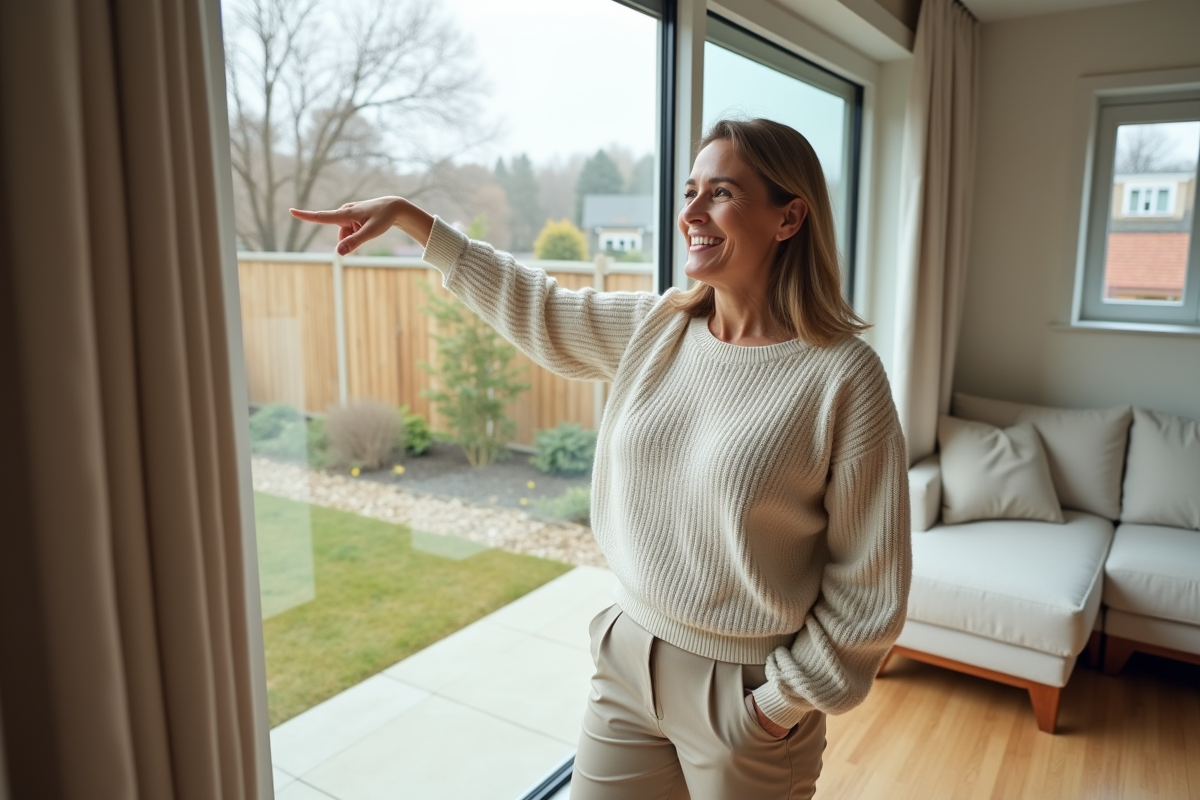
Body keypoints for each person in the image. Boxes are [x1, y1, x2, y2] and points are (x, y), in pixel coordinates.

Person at [291, 117, 911, 800]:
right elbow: (541, 309)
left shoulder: (843, 377)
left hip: (746, 697)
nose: (691, 213)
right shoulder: (660, 328)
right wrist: (417, 224)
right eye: (690, 192)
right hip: (627, 662)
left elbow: (870, 585)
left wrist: (776, 705)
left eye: (721, 193)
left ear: (788, 217)